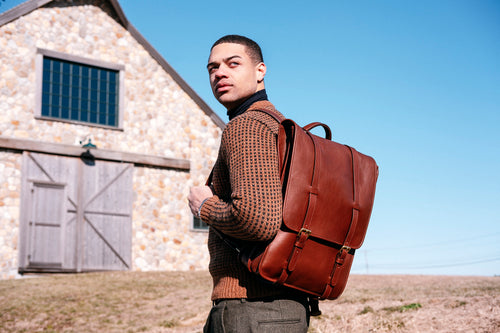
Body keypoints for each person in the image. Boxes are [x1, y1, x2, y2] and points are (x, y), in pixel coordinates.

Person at [188, 35, 310, 332]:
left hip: (250, 309)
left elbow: (257, 220)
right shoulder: (280, 126)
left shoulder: (246, 125)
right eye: (212, 68)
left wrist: (204, 206)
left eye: (233, 63)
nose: (219, 73)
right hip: (286, 306)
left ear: (260, 71)